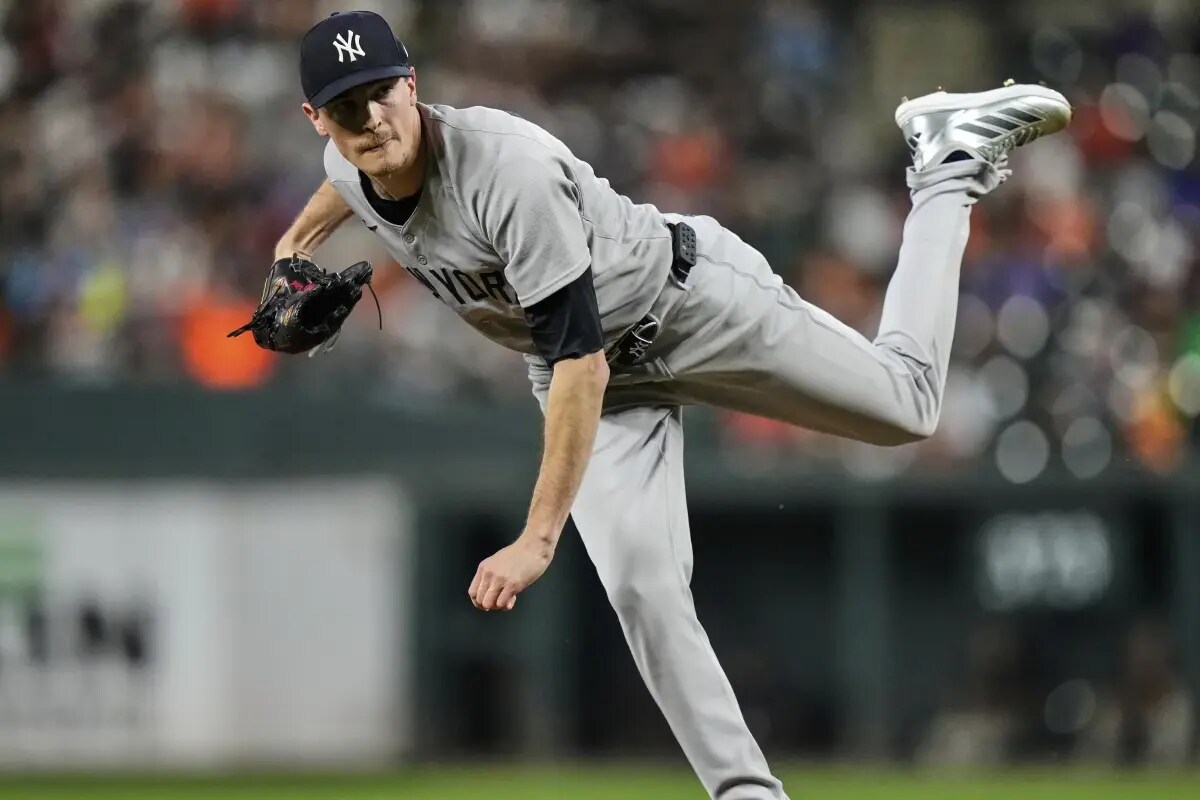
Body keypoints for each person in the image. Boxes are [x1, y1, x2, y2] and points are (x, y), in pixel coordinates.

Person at [262, 11, 1072, 799]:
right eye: (344, 107)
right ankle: (747, 794)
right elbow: (345, 193)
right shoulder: (349, 163)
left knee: (908, 406)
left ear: (412, 82)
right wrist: (290, 251)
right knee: (643, 588)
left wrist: (539, 539)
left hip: (688, 306)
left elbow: (581, 362)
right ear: (316, 120)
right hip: (594, 377)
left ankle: (946, 166)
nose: (370, 118)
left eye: (379, 92)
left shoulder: (505, 171)